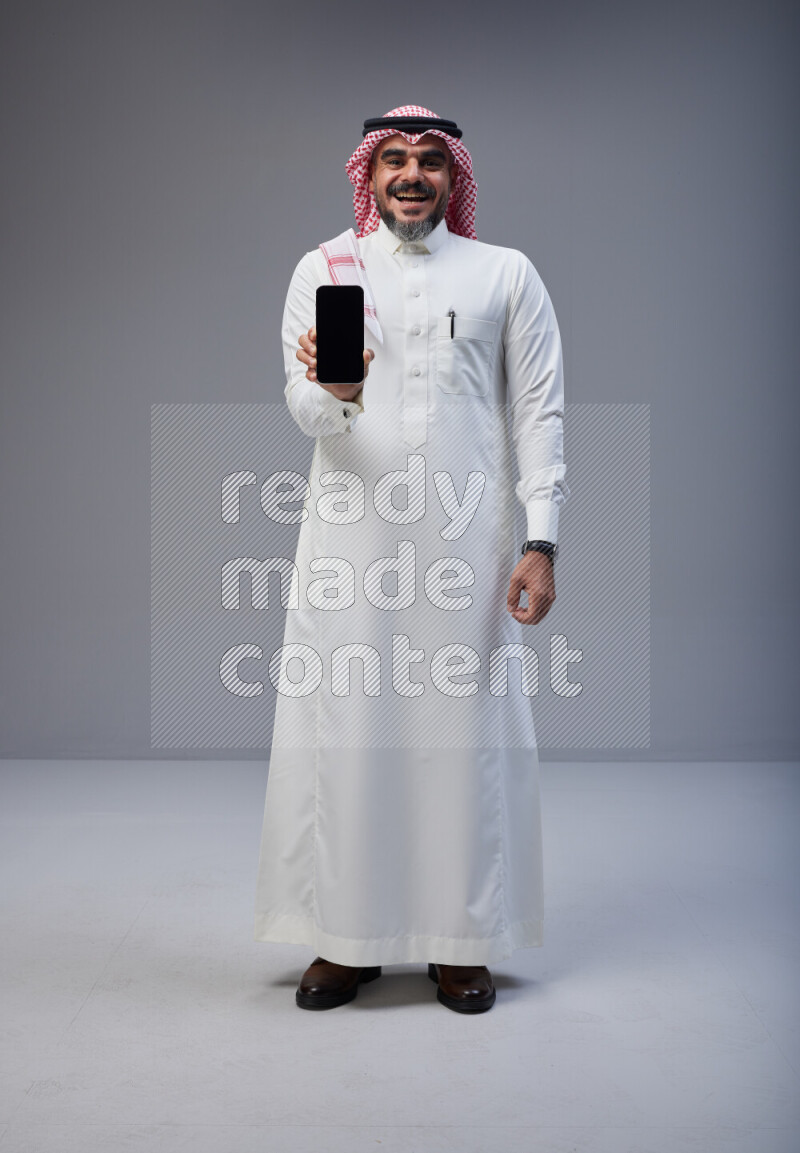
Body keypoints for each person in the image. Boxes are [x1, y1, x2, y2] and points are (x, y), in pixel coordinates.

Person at [253, 105, 569, 1013]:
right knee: (348, 734)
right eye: (393, 160)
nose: (411, 176)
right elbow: (308, 414)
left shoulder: (506, 273)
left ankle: (458, 940)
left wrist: (541, 541)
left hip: (467, 545)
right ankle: (344, 941)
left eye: (430, 161)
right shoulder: (328, 269)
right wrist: (336, 390)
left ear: (453, 175)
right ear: (370, 171)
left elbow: (538, 412)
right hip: (351, 540)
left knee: (458, 739)